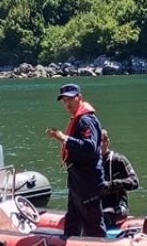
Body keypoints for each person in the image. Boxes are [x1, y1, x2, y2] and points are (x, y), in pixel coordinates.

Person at [44, 84, 105, 237]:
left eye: (70, 99)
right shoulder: (78, 119)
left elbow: (89, 147)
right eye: (64, 101)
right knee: (73, 219)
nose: (67, 104)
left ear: (80, 98)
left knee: (93, 223)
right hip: (77, 178)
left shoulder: (85, 120)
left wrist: (63, 138)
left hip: (88, 180)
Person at [98, 129, 139, 223]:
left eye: (100, 141)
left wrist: (110, 186)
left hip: (118, 207)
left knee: (103, 216)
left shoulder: (118, 160)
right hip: (98, 206)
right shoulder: (92, 163)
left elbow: (134, 182)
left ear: (107, 142)